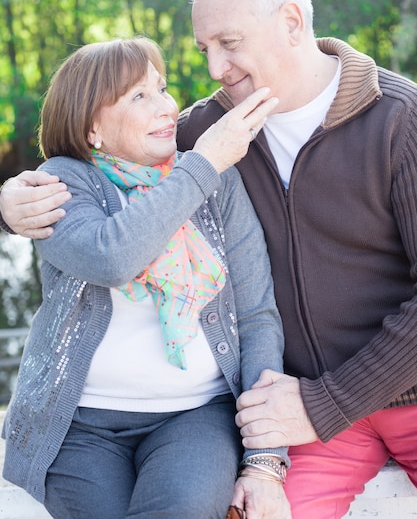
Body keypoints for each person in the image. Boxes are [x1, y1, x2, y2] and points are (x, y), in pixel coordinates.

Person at [2, 0, 417, 518]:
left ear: (292, 23)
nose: (215, 68)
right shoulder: (208, 135)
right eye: (204, 48)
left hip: (378, 396)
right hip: (301, 409)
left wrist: (325, 404)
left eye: (230, 43)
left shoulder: (401, 120)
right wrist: (8, 204)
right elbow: (101, 183)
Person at [0, 36, 292, 519]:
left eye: (162, 88)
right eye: (139, 96)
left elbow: (258, 316)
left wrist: (265, 458)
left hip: (196, 415)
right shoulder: (63, 182)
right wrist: (202, 166)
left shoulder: (219, 185)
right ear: (92, 127)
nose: (165, 108)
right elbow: (112, 257)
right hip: (78, 426)